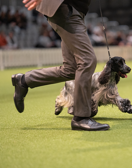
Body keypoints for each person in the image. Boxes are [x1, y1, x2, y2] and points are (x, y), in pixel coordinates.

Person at [12, 0, 110, 131]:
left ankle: (24, 80)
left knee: (71, 69)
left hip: (73, 11)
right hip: (65, 8)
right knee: (87, 60)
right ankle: (81, 117)